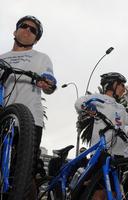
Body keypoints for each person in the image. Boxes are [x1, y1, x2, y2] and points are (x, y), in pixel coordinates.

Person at [0, 15, 57, 199]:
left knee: (25, 174)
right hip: (4, 116)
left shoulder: (41, 57)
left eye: (33, 30)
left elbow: (49, 78)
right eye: (24, 26)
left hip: (30, 119)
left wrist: (48, 82)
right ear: (15, 31)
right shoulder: (2, 58)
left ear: (36, 38)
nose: (27, 30)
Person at [75, 72, 128, 157]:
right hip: (100, 153)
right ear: (113, 84)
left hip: (119, 154)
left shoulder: (120, 107)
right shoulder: (98, 98)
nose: (124, 89)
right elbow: (78, 102)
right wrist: (86, 106)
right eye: (122, 85)